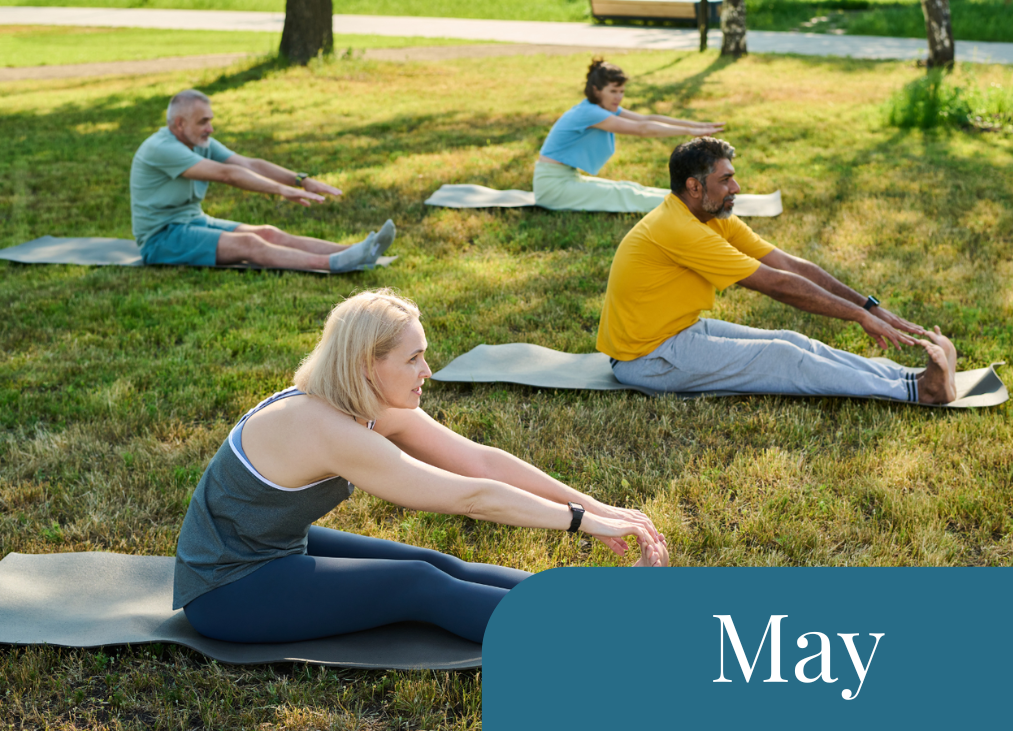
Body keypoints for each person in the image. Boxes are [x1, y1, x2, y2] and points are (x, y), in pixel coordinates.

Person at [174, 290, 669, 645]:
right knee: (418, 583)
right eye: (413, 359)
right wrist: (580, 522)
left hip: (278, 548)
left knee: (437, 564)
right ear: (369, 364)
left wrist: (595, 504)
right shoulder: (324, 427)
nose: (427, 372)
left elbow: (480, 461)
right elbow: (469, 497)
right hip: (228, 589)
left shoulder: (360, 397)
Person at [597, 137, 959, 405]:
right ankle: (918, 392)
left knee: (791, 341)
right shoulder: (678, 229)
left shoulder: (712, 217)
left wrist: (868, 306)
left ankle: (910, 378)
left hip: (675, 332)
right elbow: (777, 285)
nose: (736, 188)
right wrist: (856, 316)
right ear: (694, 187)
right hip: (646, 357)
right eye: (725, 180)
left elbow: (789, 265)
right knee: (781, 357)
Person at [131, 89, 395, 273]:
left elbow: (249, 164)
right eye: (204, 122)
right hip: (161, 238)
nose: (210, 128)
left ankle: (360, 251)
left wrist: (301, 180)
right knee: (250, 245)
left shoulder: (199, 141)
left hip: (194, 221)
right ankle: (334, 263)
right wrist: (282, 190)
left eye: (210, 120)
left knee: (268, 232)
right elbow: (228, 175)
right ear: (179, 124)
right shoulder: (161, 148)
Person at [534, 58, 726, 213]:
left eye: (622, 91)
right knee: (624, 194)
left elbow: (647, 117)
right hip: (552, 187)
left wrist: (695, 125)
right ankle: (693, 206)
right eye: (613, 91)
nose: (618, 97)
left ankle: (691, 200)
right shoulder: (590, 113)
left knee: (630, 188)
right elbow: (641, 128)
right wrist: (689, 131)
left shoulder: (598, 108)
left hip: (566, 179)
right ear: (596, 90)